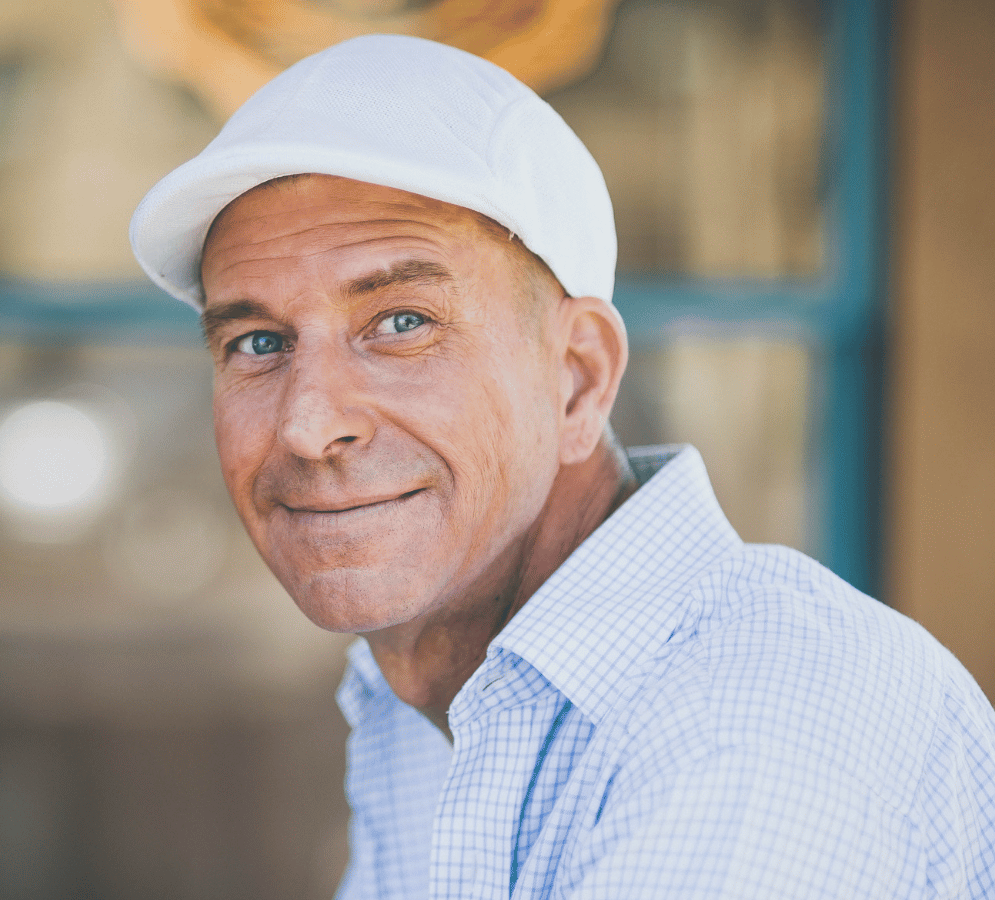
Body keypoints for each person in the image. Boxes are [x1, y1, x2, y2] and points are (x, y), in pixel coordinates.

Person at [130, 34, 995, 900]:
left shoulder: (754, 722)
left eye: (401, 323)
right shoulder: (433, 700)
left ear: (577, 378)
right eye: (257, 342)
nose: (308, 425)